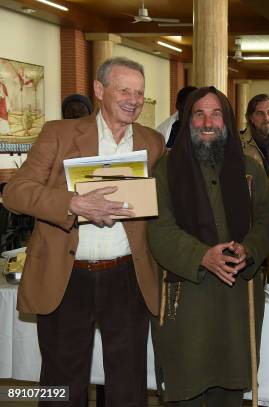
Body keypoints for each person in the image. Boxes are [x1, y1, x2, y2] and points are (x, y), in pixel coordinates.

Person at [2, 57, 165, 406]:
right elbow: (14, 192)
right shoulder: (58, 134)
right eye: (124, 90)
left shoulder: (153, 143)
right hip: (67, 276)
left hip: (127, 277)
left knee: (128, 384)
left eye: (139, 93)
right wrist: (71, 203)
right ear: (99, 90)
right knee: (61, 385)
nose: (133, 100)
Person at [147, 86, 269, 406]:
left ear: (227, 121)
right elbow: (158, 229)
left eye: (216, 114)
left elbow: (265, 221)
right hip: (186, 297)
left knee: (229, 390)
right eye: (199, 113)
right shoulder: (165, 169)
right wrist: (202, 256)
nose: (208, 122)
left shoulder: (250, 169)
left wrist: (250, 249)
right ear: (188, 120)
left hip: (237, 297)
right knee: (186, 385)